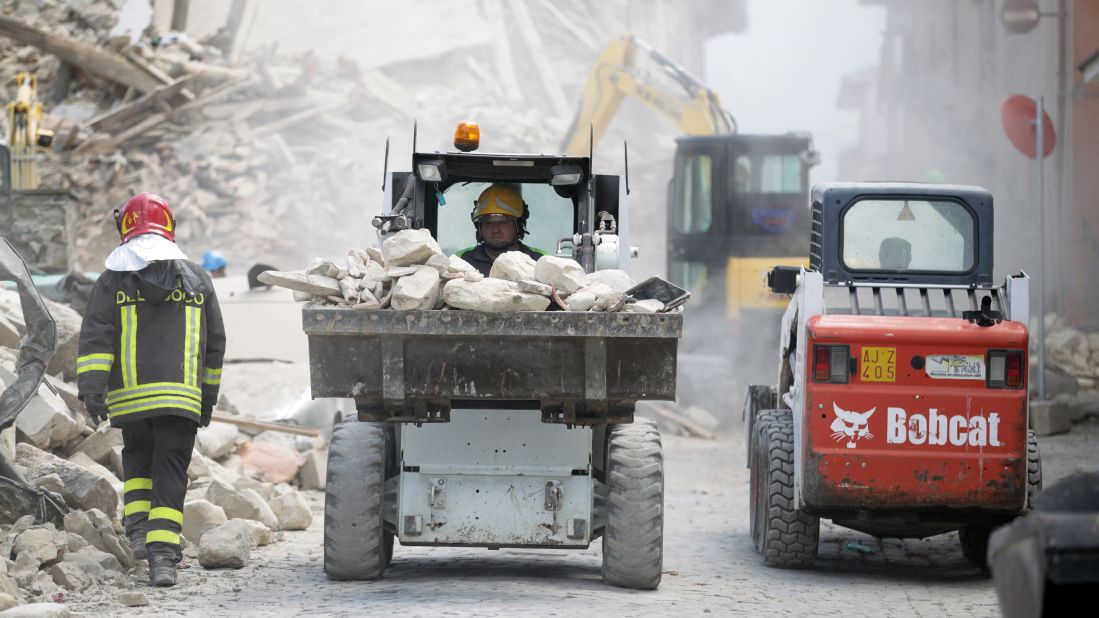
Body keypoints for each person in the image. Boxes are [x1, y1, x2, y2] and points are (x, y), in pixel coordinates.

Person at [76, 193, 225, 587]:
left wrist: (91, 389)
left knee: (139, 464)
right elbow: (214, 347)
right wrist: (206, 400)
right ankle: (163, 559)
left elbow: (96, 336)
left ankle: (140, 532)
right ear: (169, 228)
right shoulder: (198, 280)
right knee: (171, 474)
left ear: (124, 229)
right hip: (181, 400)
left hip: (131, 399)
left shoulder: (113, 281)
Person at [457, 184, 545, 276]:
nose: (495, 230)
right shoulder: (461, 260)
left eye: (503, 222)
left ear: (518, 225)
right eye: (488, 223)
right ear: (479, 227)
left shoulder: (542, 262)